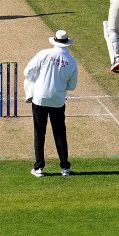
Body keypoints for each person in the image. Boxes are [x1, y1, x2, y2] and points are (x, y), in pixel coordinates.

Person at [24, 29, 78, 177]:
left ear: (54, 41)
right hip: (58, 101)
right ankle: (65, 167)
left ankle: (39, 167)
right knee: (60, 133)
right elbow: (72, 86)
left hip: (40, 99)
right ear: (66, 43)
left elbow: (27, 72)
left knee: (39, 132)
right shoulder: (72, 61)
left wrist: (37, 80)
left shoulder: (44, 54)